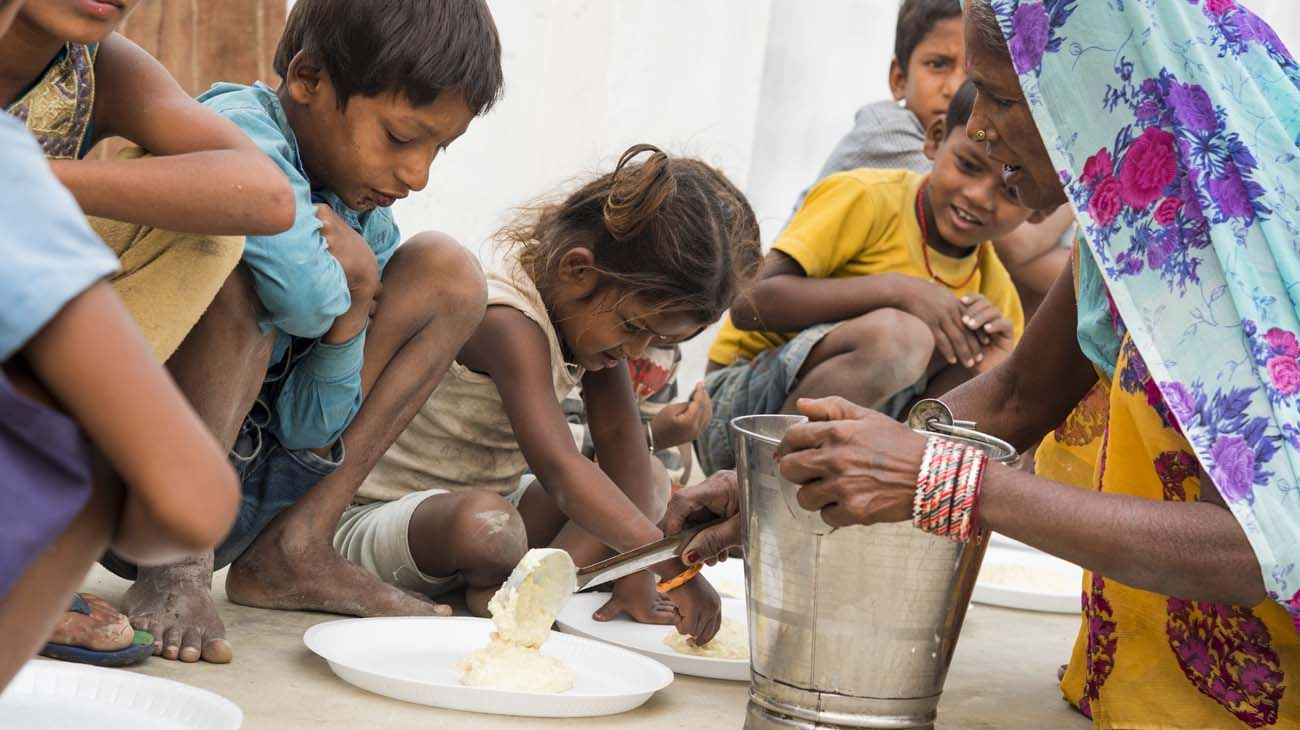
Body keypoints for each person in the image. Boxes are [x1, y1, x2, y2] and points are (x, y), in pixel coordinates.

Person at [690, 1, 1300, 726]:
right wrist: (796, 475)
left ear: (1104, 85)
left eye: (1006, 98)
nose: (977, 125)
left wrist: (937, 479)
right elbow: (1015, 397)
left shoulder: (1259, 247)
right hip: (1135, 692)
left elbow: (1263, 543)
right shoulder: (1131, 224)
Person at [101, 0, 503, 665]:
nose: (418, 174)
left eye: (439, 148)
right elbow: (298, 295)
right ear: (309, 79)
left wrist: (358, 304)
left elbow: (312, 425)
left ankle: (293, 549)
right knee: (239, 262)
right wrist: (343, 285)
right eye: (403, 138)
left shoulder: (365, 213)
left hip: (239, 482)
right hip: (120, 472)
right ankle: (175, 565)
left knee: (449, 274)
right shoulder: (230, 127)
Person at [340, 144, 762, 643]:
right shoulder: (506, 321)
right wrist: (675, 568)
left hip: (493, 512)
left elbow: (624, 453)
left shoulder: (589, 324)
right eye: (634, 327)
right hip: (383, 520)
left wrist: (635, 576)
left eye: (657, 341)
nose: (638, 349)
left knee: (646, 476)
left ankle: (511, 594)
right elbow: (561, 472)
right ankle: (509, 589)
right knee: (486, 525)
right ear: (577, 270)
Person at [1, 0, 295, 664]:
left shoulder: (95, 67)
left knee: (209, 227)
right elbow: (190, 502)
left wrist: (29, 181)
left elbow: (265, 195)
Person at [696, 81, 1031, 476]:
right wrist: (899, 291)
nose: (979, 195)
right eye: (968, 166)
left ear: (1036, 197)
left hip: (857, 452)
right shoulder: (867, 197)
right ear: (935, 140)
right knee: (901, 338)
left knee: (981, 358)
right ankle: (765, 488)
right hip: (740, 417)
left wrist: (991, 365)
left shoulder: (997, 294)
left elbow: (973, 430)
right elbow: (749, 304)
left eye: (1008, 191)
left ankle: (841, 486)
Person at [791, 0, 1072, 320]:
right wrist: (1078, 187)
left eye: (974, 78)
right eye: (938, 64)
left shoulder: (982, 145)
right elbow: (1018, 246)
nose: (955, 88)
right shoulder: (888, 133)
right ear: (898, 78)